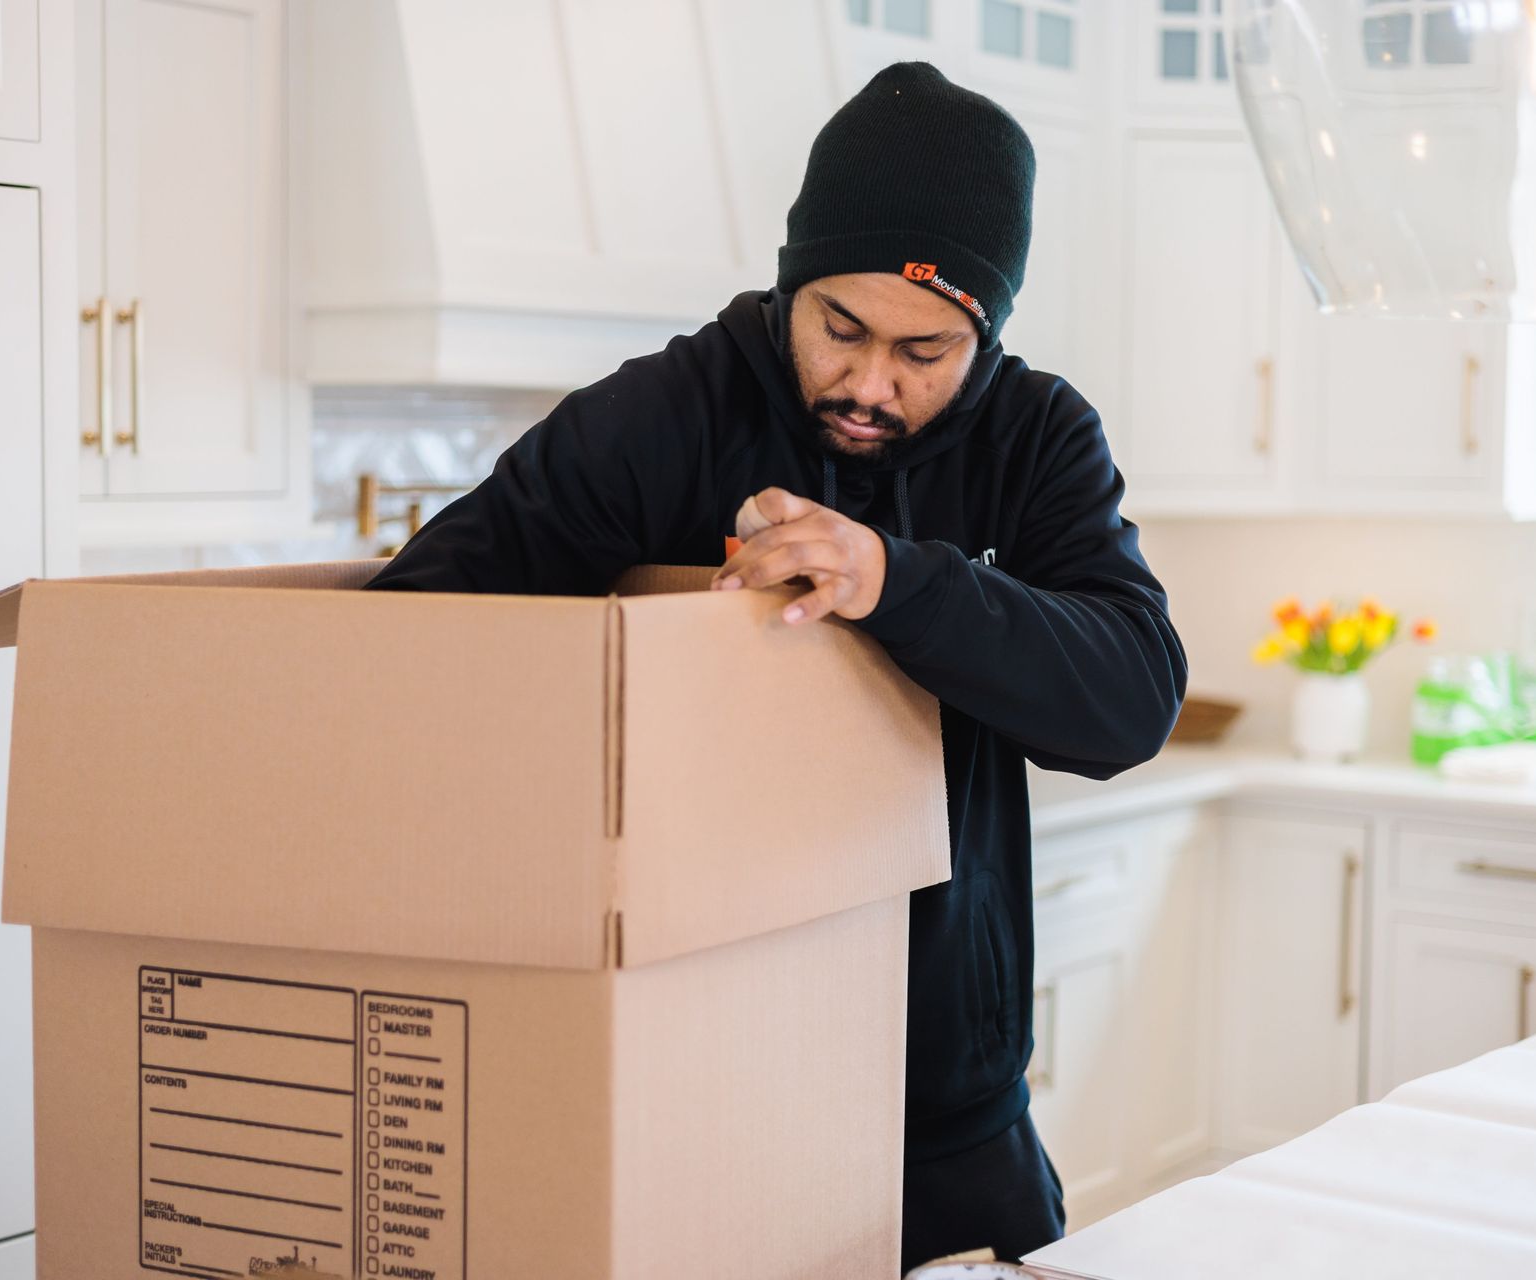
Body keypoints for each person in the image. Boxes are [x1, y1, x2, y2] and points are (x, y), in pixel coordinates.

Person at [365, 60, 1188, 1271]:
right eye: (839, 328)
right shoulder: (661, 415)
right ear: (792, 283)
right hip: (680, 1084)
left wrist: (901, 580)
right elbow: (412, 644)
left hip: (950, 1108)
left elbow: (1131, 700)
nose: (869, 384)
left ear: (988, 332)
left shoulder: (1037, 437)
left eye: (925, 350)